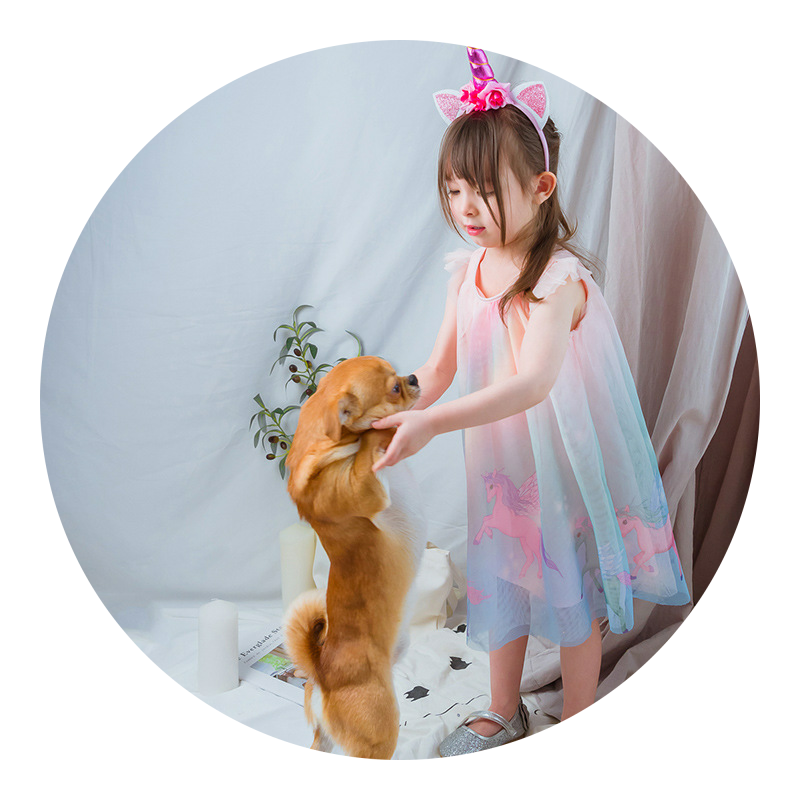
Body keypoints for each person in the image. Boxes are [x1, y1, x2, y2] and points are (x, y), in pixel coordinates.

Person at [371, 48, 691, 757]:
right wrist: (388, 404)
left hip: (562, 462)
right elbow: (438, 368)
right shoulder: (469, 272)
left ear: (542, 186)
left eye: (484, 191)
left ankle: (578, 721)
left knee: (571, 592)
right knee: (504, 574)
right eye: (454, 189)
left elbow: (533, 382)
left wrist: (431, 424)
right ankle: (501, 706)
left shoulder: (557, 282)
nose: (465, 208)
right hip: (500, 463)